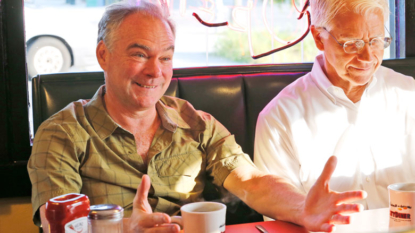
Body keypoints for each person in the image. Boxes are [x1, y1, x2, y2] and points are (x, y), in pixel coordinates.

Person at [28, 1, 366, 233]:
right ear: (104, 54)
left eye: (165, 57)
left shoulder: (196, 123)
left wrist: (304, 207)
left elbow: (250, 181)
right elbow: (56, 223)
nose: (154, 71)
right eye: (139, 54)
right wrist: (121, 228)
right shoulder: (62, 133)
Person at [255, 0, 415, 212]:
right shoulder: (280, 118)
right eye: (352, 43)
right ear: (318, 38)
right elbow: (279, 218)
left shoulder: (408, 94)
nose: (368, 57)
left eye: (376, 41)